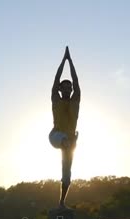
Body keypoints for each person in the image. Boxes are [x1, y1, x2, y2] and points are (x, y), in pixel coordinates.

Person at [49, 46, 80, 208]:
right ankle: (68, 142)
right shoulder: (56, 99)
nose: (67, 88)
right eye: (64, 86)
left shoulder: (75, 101)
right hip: (56, 136)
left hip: (69, 139)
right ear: (60, 89)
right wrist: (64, 60)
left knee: (67, 175)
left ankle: (61, 203)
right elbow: (56, 79)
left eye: (69, 87)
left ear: (72, 89)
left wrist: (72, 62)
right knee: (66, 141)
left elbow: (76, 80)